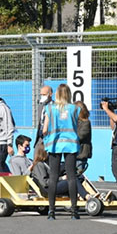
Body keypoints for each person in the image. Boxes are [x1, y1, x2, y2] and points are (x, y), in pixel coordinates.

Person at [42, 84, 80, 220]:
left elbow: (45, 129)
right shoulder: (75, 108)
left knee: (53, 176)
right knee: (71, 176)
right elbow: (76, 124)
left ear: (57, 94)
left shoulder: (50, 109)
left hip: (54, 144)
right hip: (71, 144)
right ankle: (74, 210)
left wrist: (45, 138)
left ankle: (51, 211)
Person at [74, 101, 92, 174]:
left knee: (78, 174)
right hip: (72, 153)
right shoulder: (73, 121)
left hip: (81, 153)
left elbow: (80, 136)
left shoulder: (86, 123)